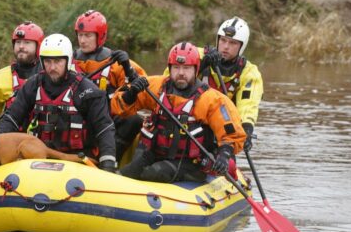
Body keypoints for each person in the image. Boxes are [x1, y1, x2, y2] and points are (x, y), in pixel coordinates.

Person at [111, 42, 246, 183]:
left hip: (190, 163)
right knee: (126, 174)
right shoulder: (156, 86)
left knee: (153, 174)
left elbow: (232, 134)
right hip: (153, 153)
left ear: (196, 69)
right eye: (176, 67)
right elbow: (118, 107)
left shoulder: (212, 100)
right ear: (169, 68)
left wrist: (224, 156)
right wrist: (131, 94)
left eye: (186, 68)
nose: (181, 73)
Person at [0, 34, 117, 172]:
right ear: (42, 62)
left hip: (79, 159)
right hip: (40, 157)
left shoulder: (88, 91)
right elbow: (11, 118)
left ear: (68, 61)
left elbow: (104, 128)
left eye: (58, 61)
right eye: (48, 61)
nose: (52, 67)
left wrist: (108, 164)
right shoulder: (33, 85)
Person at [73, 10, 148, 160]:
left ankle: (110, 160)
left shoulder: (115, 63)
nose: (82, 41)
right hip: (77, 116)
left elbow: (143, 86)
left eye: (88, 35)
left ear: (100, 36)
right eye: (80, 35)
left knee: (133, 120)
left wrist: (127, 68)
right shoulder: (69, 60)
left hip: (107, 117)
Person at [197, 17, 263, 152]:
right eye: (223, 40)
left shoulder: (249, 73)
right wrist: (201, 65)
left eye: (233, 43)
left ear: (241, 46)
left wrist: (246, 130)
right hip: (191, 122)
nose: (226, 47)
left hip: (221, 128)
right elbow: (169, 81)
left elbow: (248, 105)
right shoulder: (197, 55)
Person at [0, 21, 45, 133]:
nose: (21, 47)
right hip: (11, 142)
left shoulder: (50, 74)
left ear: (38, 47)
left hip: (42, 142)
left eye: (27, 43)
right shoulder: (0, 77)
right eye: (18, 42)